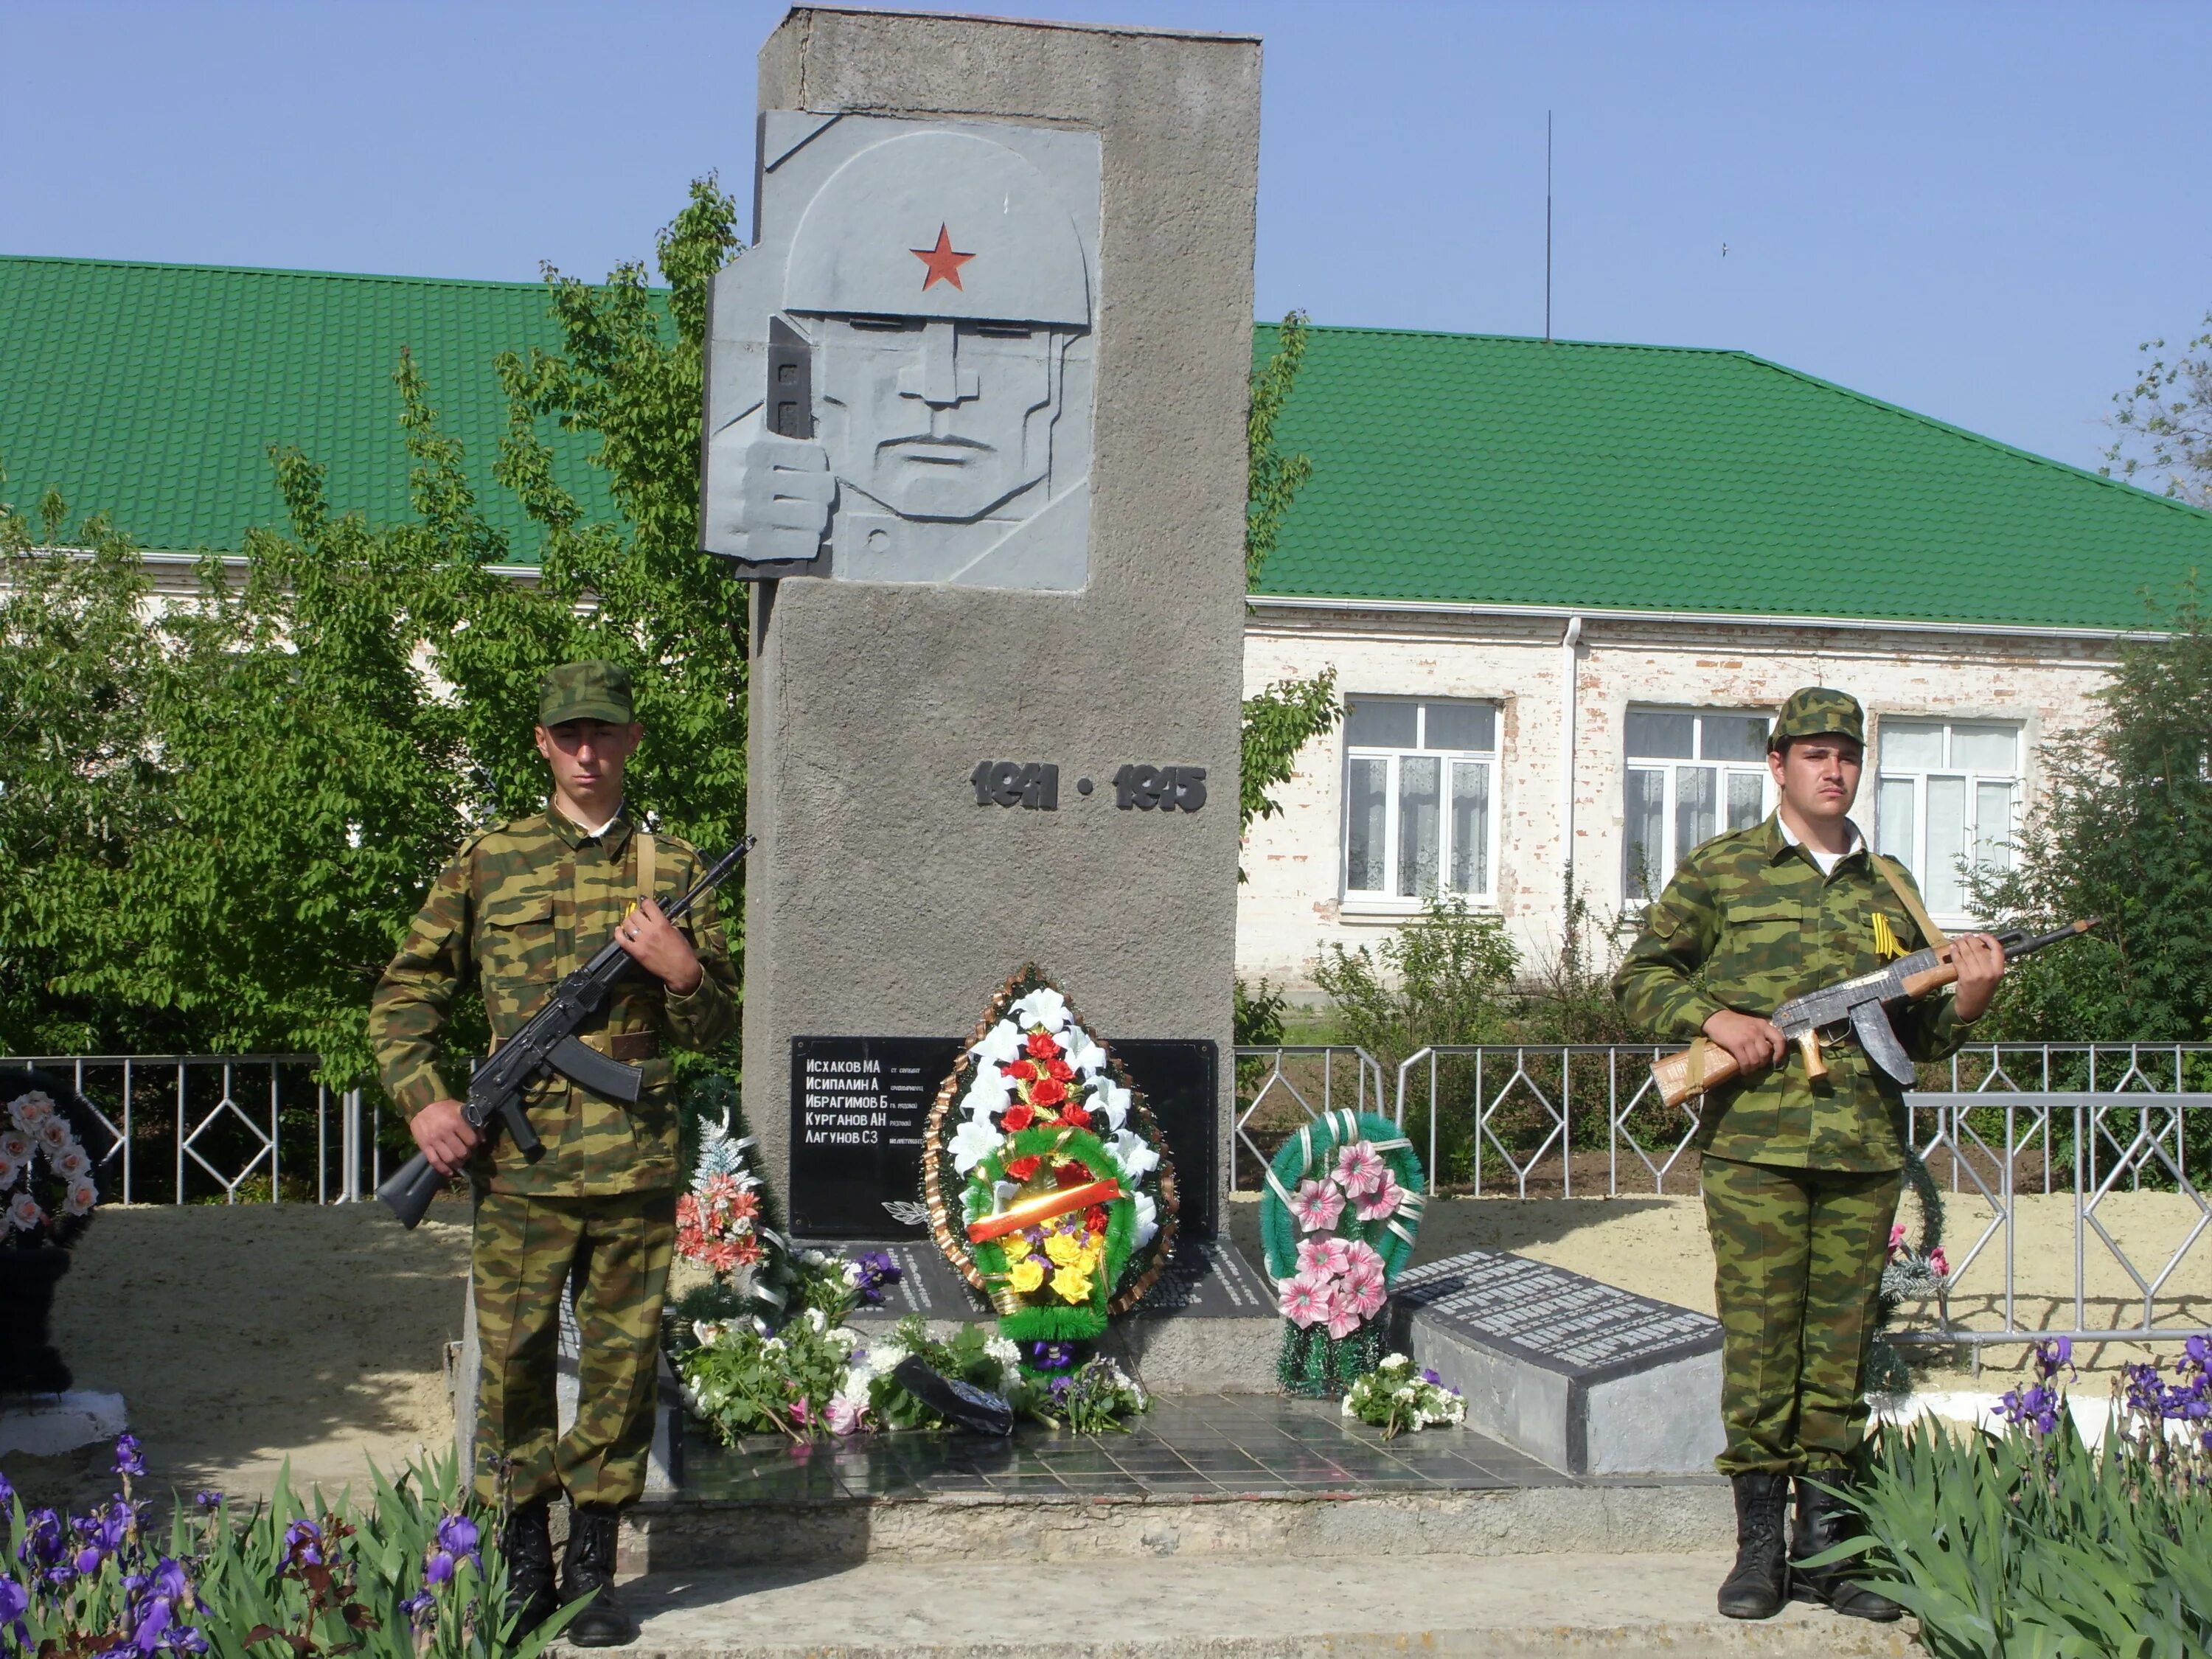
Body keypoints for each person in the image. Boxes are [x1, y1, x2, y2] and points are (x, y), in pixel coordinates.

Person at [1613, 688, 2006, 1624]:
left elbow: (1922, 1035)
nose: (1834, 770)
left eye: (1848, 755)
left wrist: (1972, 996)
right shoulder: (1724, 872)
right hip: (1755, 1150)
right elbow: (1639, 978)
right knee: (1759, 1347)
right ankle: (1757, 1551)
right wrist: (1716, 1018)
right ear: (1778, 766)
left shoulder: (1893, 888)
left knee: (1836, 1353)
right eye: (1814, 753)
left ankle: (1826, 1548)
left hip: (1863, 1152)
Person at [369, 661, 737, 1647]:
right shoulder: (489, 859)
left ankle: (595, 1562)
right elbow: (404, 996)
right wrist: (426, 1102)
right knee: (515, 1366)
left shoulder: (674, 866)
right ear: (541, 740)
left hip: (633, 1167)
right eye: (570, 733)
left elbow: (722, 1025)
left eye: (605, 733)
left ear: (633, 741)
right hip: (520, 1171)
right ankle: (524, 1550)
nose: (588, 751)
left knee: (619, 1368)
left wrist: (685, 969)